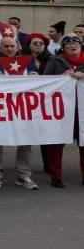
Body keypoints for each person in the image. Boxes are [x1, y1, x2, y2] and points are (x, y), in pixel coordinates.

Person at [0, 36, 38, 191]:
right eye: (5, 46)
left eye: (11, 46)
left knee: (25, 142)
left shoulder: (29, 62)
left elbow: (40, 83)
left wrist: (35, 75)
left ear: (17, 47)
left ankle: (24, 175)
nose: (9, 49)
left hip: (22, 108)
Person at [42, 35, 84, 188]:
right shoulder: (55, 60)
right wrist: (61, 77)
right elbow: (45, 80)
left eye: (75, 44)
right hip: (62, 110)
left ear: (81, 46)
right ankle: (56, 176)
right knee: (57, 143)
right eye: (69, 45)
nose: (73, 46)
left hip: (82, 110)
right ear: (64, 48)